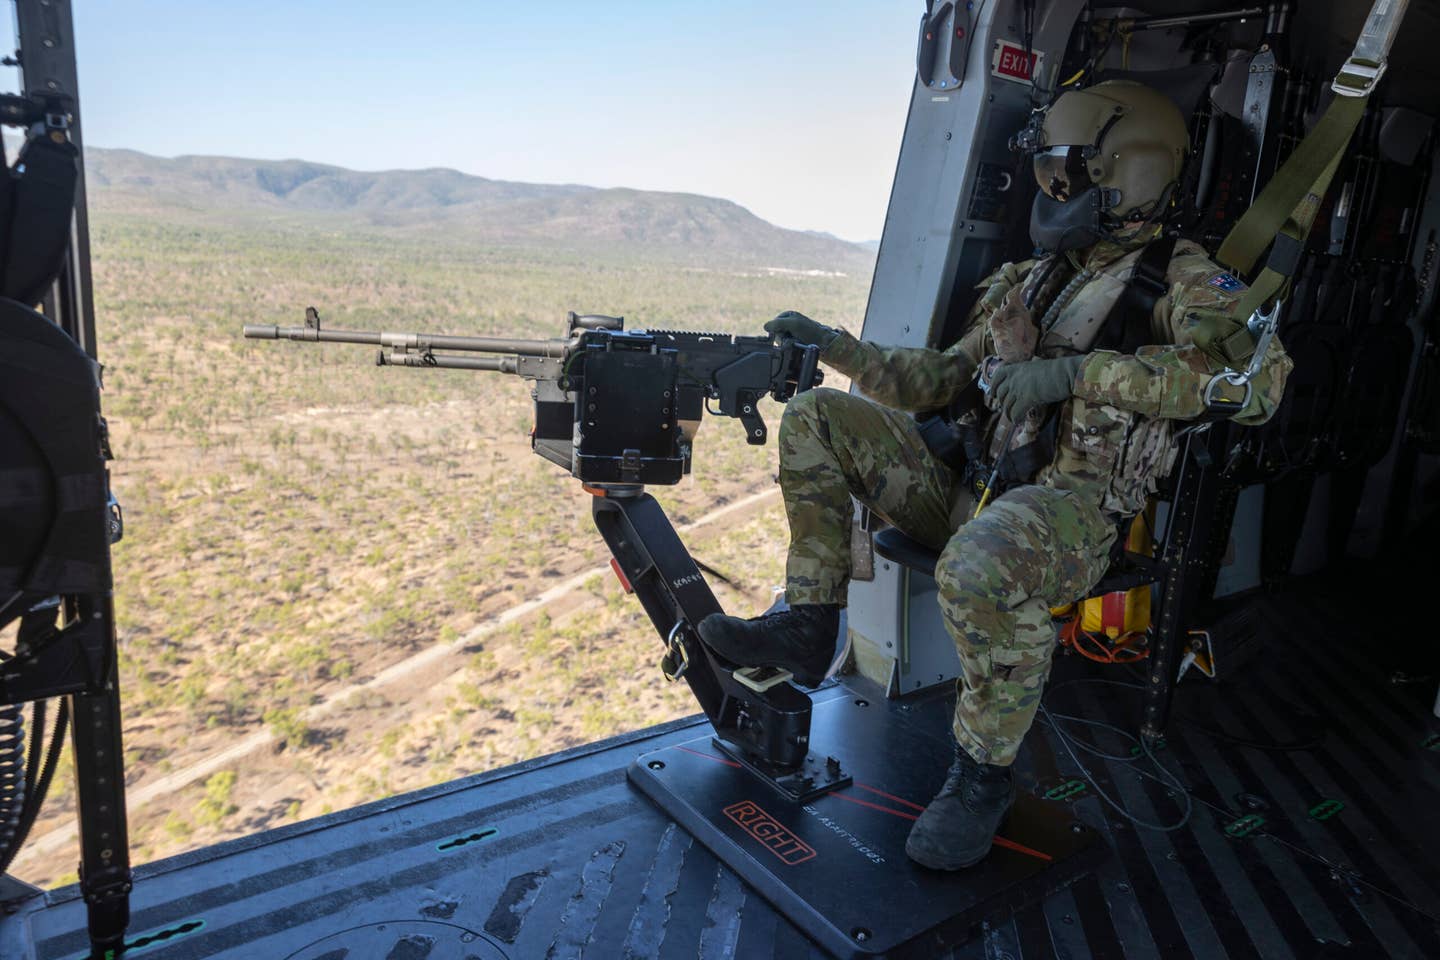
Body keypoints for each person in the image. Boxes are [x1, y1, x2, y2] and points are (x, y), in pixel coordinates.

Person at [697, 80, 1292, 870]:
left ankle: (982, 777)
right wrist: (834, 347)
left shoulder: (1183, 284)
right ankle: (810, 626)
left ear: (1129, 173)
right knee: (816, 418)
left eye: (1069, 172)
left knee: (976, 561)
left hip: (1069, 519)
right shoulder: (1035, 278)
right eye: (1052, 172)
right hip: (977, 490)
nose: (1055, 189)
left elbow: (1257, 385)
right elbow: (934, 381)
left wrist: (1077, 375)